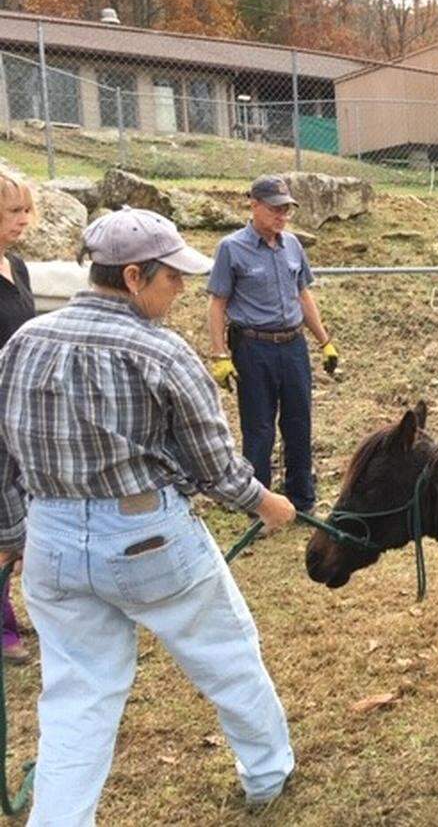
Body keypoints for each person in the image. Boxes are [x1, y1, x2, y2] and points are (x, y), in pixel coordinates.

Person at [0, 207, 297, 824]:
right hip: (147, 539)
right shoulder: (161, 352)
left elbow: (2, 455)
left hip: (51, 540)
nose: (183, 290)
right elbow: (215, 465)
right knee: (228, 653)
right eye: (172, 278)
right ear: (134, 276)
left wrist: (11, 535)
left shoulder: (22, 343)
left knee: (76, 697)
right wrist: (265, 503)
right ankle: (267, 772)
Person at [207, 175, 338, 514]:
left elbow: (303, 294)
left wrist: (324, 341)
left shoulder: (292, 245)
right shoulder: (231, 248)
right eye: (275, 209)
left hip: (292, 345)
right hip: (253, 346)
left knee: (299, 423)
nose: (282, 216)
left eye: (287, 210)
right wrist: (219, 354)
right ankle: (260, 506)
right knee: (259, 428)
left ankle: (302, 501)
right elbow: (217, 303)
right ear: (254, 205)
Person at [0, 172, 37, 664]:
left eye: (27, 211)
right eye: (14, 212)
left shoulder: (17, 266)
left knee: (23, 526)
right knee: (5, 532)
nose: (24, 221)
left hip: (21, 414)